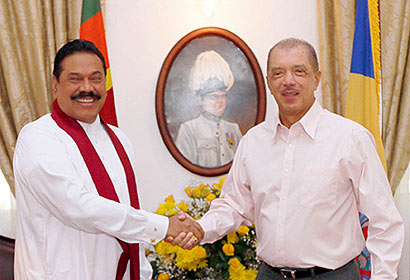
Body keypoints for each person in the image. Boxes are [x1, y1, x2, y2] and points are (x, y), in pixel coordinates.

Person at [172, 38, 404, 279]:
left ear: (317, 78)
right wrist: (201, 227)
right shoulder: (253, 141)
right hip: (268, 274)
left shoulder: (350, 138)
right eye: (278, 73)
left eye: (299, 71)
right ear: (269, 83)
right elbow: (233, 205)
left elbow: (384, 221)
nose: (288, 81)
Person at [13, 39, 203, 280]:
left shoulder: (118, 138)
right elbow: (78, 207)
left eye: (96, 78)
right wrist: (163, 226)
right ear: (55, 85)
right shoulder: (38, 137)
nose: (87, 88)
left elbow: (126, 211)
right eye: (75, 79)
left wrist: (143, 272)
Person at [175, 50, 242, 168]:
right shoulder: (189, 129)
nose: (219, 102)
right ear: (201, 100)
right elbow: (183, 168)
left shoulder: (233, 129)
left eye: (223, 96)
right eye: (213, 97)